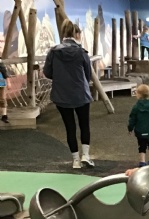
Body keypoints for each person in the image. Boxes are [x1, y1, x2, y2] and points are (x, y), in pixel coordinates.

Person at [43, 19, 94, 169]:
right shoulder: (82, 52)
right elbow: (88, 75)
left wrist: (60, 77)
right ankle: (86, 155)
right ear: (76, 34)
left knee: (69, 127)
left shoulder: (53, 52)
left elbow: (47, 72)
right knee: (84, 125)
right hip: (81, 94)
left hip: (61, 95)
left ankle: (75, 160)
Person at [128, 84, 149, 167]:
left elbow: (132, 119)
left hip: (140, 131)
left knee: (141, 146)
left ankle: (142, 161)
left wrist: (130, 128)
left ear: (138, 95)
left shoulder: (135, 108)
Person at [0, 58, 10, 124]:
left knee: (2, 99)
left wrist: (8, 82)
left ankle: (4, 115)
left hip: (1, 83)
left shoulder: (0, 63)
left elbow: (4, 73)